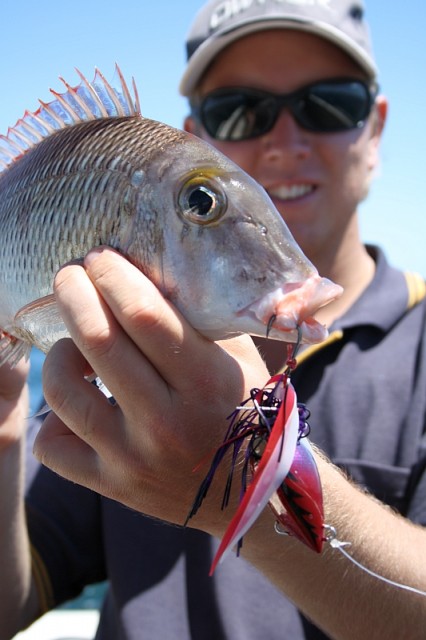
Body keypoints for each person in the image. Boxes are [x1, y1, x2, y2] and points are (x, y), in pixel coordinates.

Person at [1, 1, 426, 639]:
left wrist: (257, 486)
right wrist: (5, 437)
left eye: (329, 103)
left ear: (376, 127)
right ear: (193, 131)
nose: (284, 142)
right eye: (241, 109)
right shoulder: (118, 362)